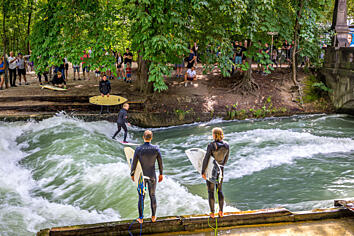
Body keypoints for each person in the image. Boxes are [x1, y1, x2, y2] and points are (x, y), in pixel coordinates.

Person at [131, 130, 163, 224]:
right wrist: (161, 173)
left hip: (142, 177)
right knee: (152, 195)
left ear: (143, 137)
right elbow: (160, 162)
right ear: (151, 138)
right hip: (152, 176)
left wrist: (132, 174)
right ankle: (153, 217)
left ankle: (141, 218)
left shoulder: (138, 149)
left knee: (141, 196)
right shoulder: (156, 149)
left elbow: (134, 163)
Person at [202, 127, 229, 219]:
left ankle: (212, 213)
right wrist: (220, 166)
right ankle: (221, 212)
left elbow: (206, 159)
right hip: (221, 170)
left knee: (211, 192)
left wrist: (203, 171)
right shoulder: (226, 145)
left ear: (215, 135)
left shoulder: (211, 145)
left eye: (213, 134)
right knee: (220, 190)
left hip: (211, 171)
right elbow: (225, 160)